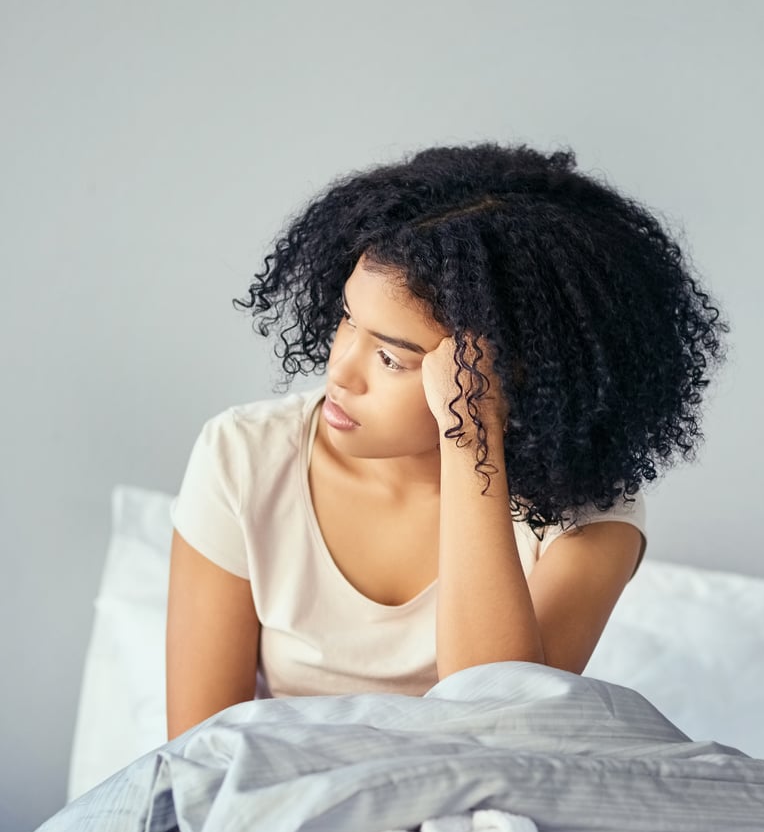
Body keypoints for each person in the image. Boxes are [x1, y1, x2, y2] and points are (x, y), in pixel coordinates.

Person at [164, 142, 728, 738]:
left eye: (390, 357)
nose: (340, 372)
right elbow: (197, 758)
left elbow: (496, 721)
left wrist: (470, 435)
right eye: (346, 320)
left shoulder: (588, 517)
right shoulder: (243, 458)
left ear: (513, 373)